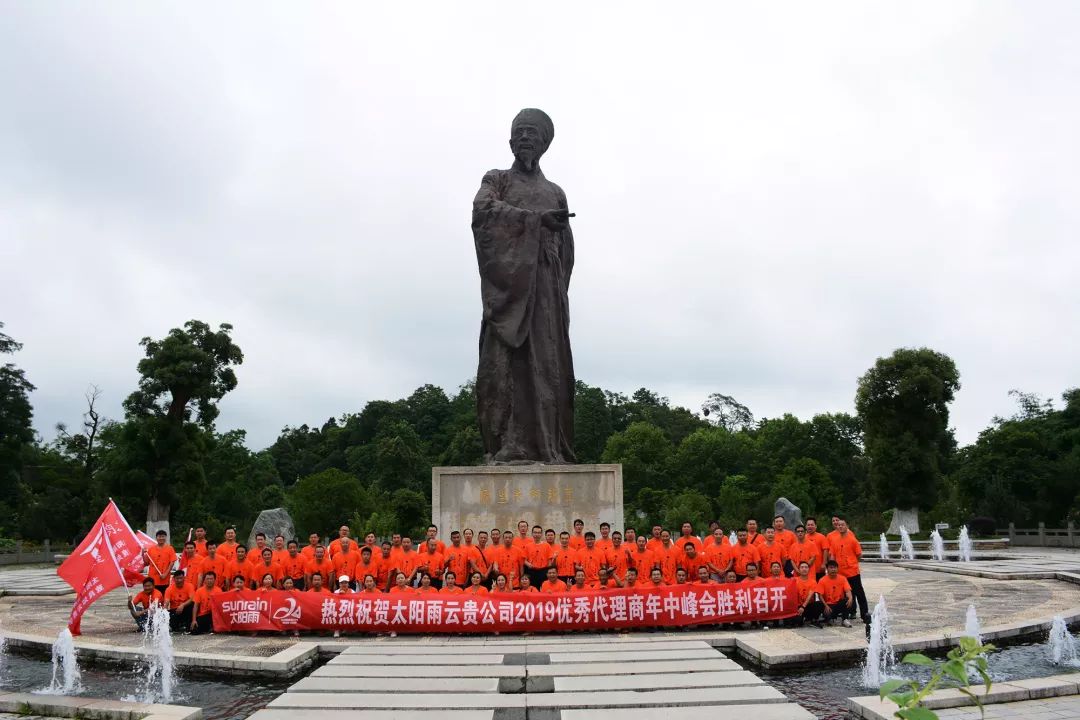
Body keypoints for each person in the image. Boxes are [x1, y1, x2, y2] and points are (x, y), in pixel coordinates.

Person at [828, 515, 869, 623]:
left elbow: (859, 555)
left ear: (847, 526)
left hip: (852, 572)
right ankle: (846, 614)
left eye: (842, 525)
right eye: (839, 525)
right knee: (843, 595)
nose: (840, 526)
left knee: (859, 593)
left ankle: (865, 614)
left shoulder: (852, 539)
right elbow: (832, 555)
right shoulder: (834, 540)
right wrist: (832, 567)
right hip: (840, 573)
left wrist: (852, 562)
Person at [809, 559, 854, 627]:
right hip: (828, 605)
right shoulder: (822, 580)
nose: (833, 569)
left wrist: (850, 598)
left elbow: (848, 591)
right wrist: (826, 606)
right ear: (827, 569)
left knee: (848, 600)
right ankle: (825, 619)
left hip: (838, 603)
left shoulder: (843, 578)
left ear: (837, 568)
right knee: (818, 605)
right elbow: (820, 595)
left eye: (835, 567)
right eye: (831, 568)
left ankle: (845, 619)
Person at [144, 530, 178, 595]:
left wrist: (165, 574)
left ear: (165, 537)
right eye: (159, 536)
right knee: (152, 597)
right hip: (152, 579)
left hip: (164, 579)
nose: (161, 538)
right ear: (156, 538)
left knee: (163, 596)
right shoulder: (151, 549)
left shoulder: (170, 548)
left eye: (163, 536)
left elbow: (172, 563)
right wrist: (143, 554)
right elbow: (146, 563)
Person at [792, 560, 820, 627]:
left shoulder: (813, 582)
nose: (804, 569)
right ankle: (802, 619)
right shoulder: (794, 580)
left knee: (819, 604)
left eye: (806, 567)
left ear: (809, 569)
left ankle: (812, 619)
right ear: (799, 569)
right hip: (798, 606)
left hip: (808, 606)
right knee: (797, 622)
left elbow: (810, 595)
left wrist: (803, 607)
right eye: (802, 567)